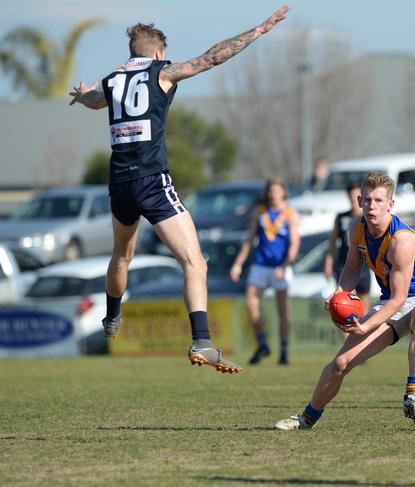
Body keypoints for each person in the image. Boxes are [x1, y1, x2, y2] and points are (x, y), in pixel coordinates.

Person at [68, 5, 291, 374]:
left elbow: (95, 101)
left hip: (120, 182)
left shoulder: (112, 80)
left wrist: (81, 95)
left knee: (122, 254)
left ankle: (111, 317)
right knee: (194, 262)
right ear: (157, 53)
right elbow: (213, 57)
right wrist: (259, 31)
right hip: (152, 180)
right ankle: (202, 341)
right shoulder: (163, 72)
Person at [272, 172, 415, 430]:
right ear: (359, 200)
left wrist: (366, 326)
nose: (371, 206)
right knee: (341, 364)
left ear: (391, 205)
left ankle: (413, 395)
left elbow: (400, 299)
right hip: (391, 302)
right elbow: (353, 270)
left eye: (378, 200)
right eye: (367, 200)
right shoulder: (357, 227)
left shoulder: (402, 241)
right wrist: (339, 295)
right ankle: (307, 418)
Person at [230, 179, 300, 365]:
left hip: (280, 266)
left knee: (283, 310)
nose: (273, 194)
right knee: (251, 303)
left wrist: (285, 265)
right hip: (260, 265)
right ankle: (262, 344)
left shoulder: (290, 213)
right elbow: (249, 240)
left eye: (277, 191)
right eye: (271, 191)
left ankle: (284, 351)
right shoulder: (260, 212)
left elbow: (294, 243)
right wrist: (238, 264)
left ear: (283, 192)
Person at [323, 181, 372, 313]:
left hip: (364, 264)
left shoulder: (367, 216)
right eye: (351, 194)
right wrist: (328, 262)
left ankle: (365, 328)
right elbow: (333, 241)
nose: (353, 197)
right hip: (344, 264)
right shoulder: (341, 217)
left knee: (363, 301)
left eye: (356, 193)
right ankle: (347, 331)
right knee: (342, 302)